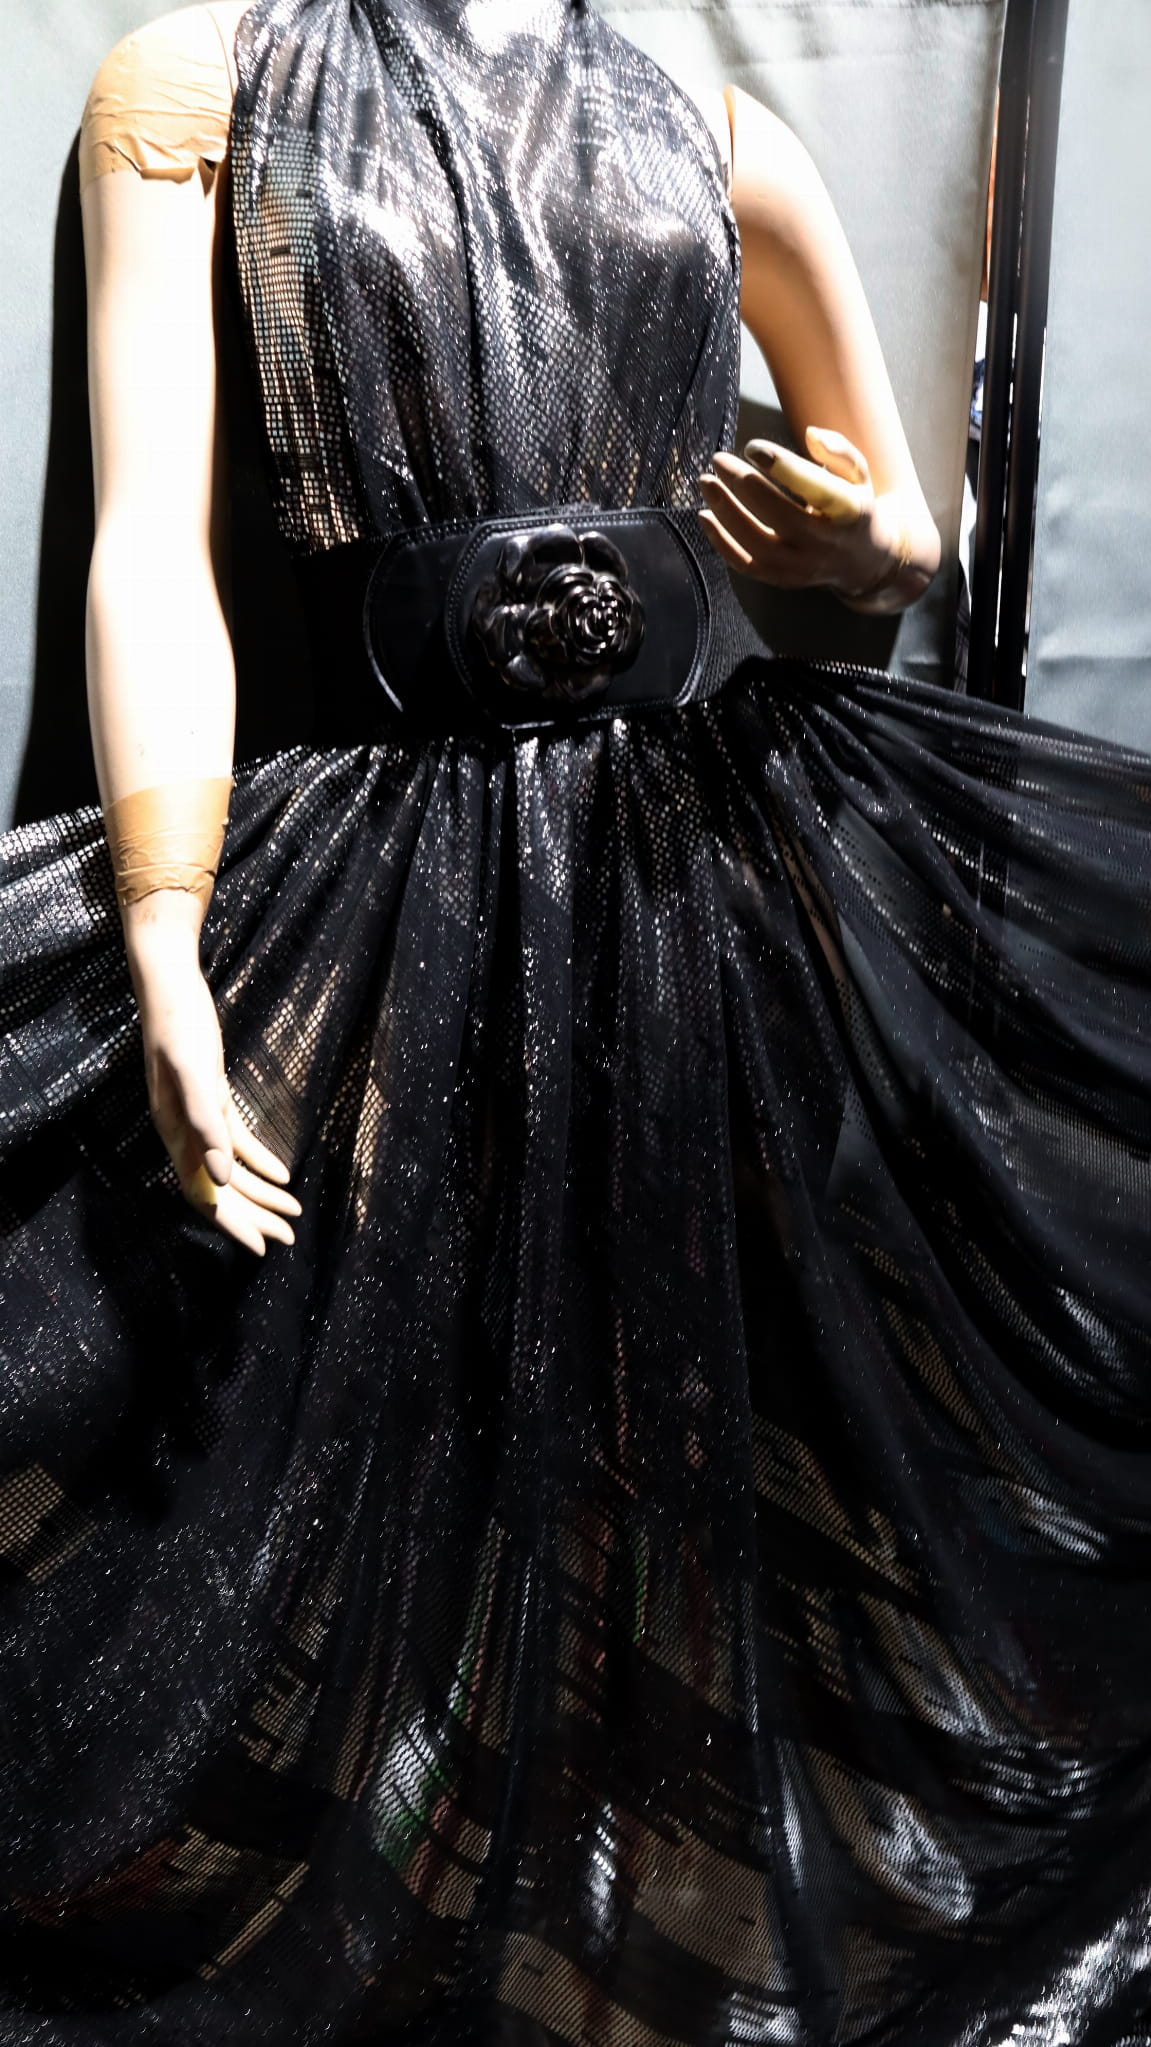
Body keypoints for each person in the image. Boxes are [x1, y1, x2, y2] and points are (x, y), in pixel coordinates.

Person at [1, 1, 1150, 2039]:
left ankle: (622, 1924)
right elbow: (150, 547)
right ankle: (413, 1926)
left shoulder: (716, 131)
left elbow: (900, 528)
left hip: (688, 853)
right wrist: (167, 939)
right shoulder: (195, 88)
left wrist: (870, 539)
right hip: (390, 855)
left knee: (671, 1416)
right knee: (391, 1415)